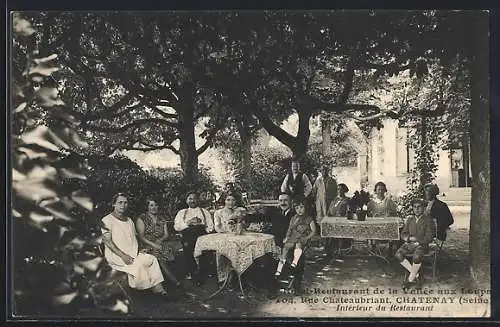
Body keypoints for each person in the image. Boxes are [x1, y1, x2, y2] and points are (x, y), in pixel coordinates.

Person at [100, 193, 168, 296]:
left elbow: (133, 238)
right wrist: (123, 255)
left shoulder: (129, 220)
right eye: (120, 202)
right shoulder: (107, 220)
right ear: (113, 204)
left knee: (151, 259)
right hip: (117, 256)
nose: (123, 205)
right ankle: (151, 291)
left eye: (125, 203)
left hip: (133, 254)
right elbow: (107, 241)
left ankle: (160, 290)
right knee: (139, 265)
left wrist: (138, 250)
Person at [136, 197, 181, 289]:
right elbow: (141, 236)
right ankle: (174, 282)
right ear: (147, 206)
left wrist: (160, 240)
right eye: (151, 205)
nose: (154, 207)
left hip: (159, 243)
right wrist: (154, 244)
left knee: (168, 250)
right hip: (146, 244)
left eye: (156, 205)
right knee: (158, 255)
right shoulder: (142, 218)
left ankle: (168, 280)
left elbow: (166, 235)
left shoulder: (162, 218)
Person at [173, 191, 214, 284]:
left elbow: (210, 226)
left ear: (198, 200)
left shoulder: (204, 212)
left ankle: (201, 273)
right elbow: (176, 227)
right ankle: (194, 273)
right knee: (188, 246)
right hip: (188, 237)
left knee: (203, 248)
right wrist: (188, 223)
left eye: (195, 198)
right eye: (190, 198)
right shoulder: (182, 212)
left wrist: (201, 225)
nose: (193, 200)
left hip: (201, 235)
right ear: (186, 200)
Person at [395, 198, 435, 288]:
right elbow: (404, 233)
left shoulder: (428, 220)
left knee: (416, 257)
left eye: (419, 207)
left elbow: (429, 237)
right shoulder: (410, 220)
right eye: (415, 207)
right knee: (398, 255)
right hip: (409, 244)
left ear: (424, 208)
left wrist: (417, 240)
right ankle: (417, 275)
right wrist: (408, 238)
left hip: (422, 245)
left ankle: (409, 280)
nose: (417, 209)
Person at [275, 196, 317, 278]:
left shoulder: (309, 219)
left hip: (303, 237)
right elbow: (290, 229)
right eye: (297, 208)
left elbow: (314, 231)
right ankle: (279, 270)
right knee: (286, 248)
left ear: (305, 207)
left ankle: (294, 263)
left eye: (301, 207)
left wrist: (307, 237)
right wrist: (287, 237)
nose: (299, 210)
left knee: (298, 243)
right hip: (294, 236)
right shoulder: (293, 218)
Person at [326, 183, 351, 255]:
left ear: (345, 190)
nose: (339, 190)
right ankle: (331, 250)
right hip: (333, 221)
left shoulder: (347, 200)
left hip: (343, 222)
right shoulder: (334, 200)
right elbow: (329, 211)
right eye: (338, 189)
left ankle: (342, 249)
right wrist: (328, 216)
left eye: (341, 189)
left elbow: (349, 212)